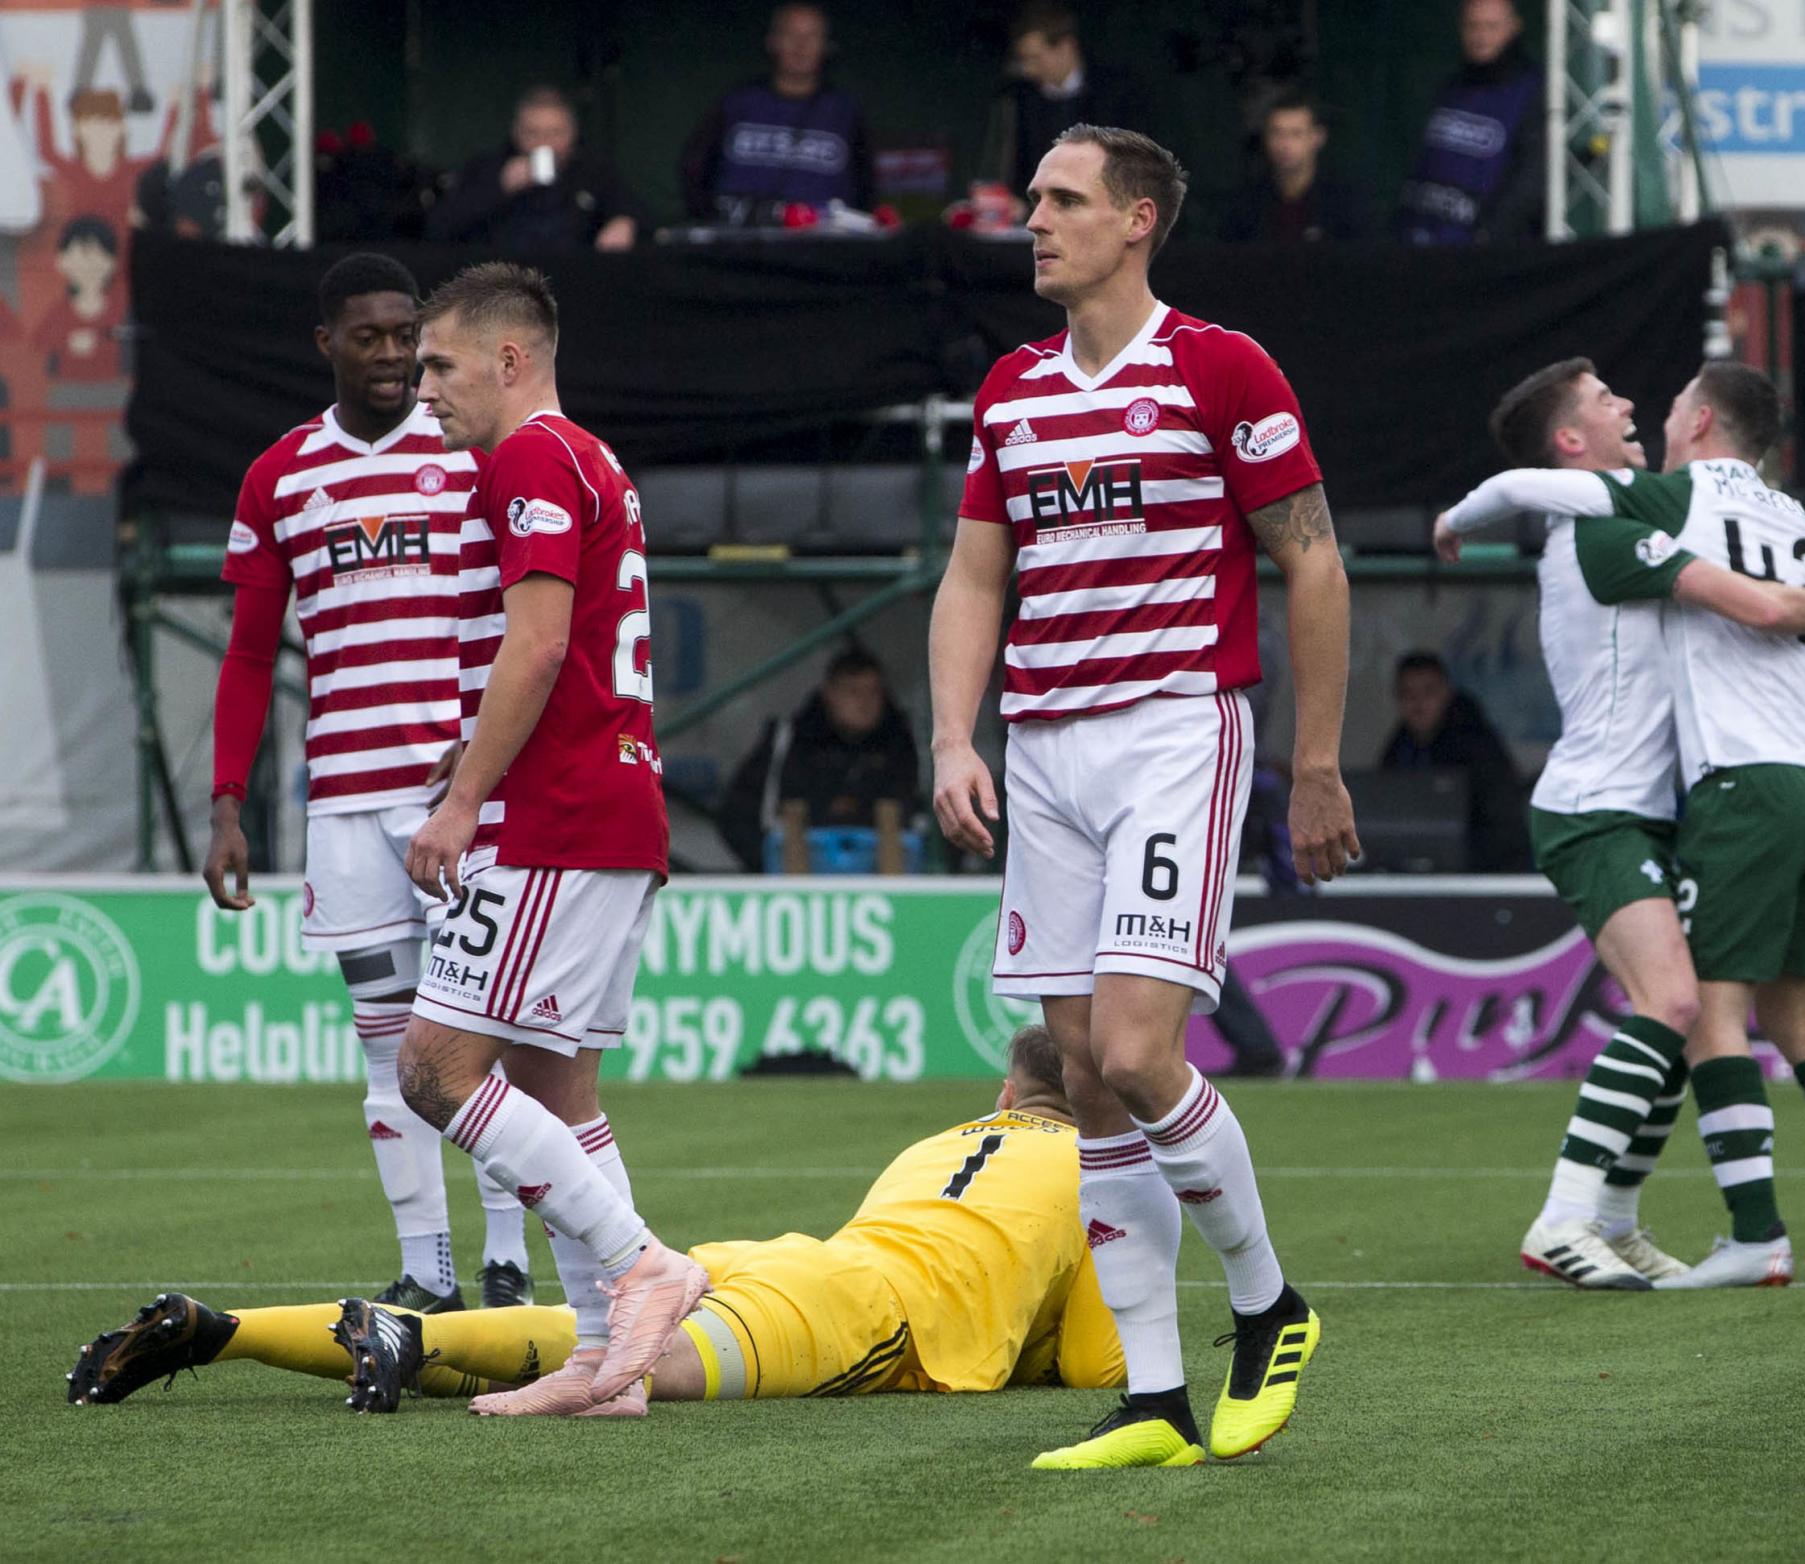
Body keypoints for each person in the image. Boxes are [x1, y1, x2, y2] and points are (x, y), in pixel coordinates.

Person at [928, 123, 1358, 1469]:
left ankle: (1269, 1301)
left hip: (1176, 730)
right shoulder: (1010, 388)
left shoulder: (1221, 368)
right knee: (1079, 1080)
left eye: (1063, 201)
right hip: (1045, 751)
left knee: (1132, 1052)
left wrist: (1316, 760)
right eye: (1034, 199)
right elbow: (974, 578)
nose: (1035, 221)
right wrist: (955, 735)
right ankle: (1157, 1399)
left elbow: (1315, 563)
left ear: (1138, 221)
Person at [1435, 356, 1805, 1291]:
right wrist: (1460, 516)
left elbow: (1731, 536)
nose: (1628, 405)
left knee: (1685, 1009)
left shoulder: (1645, 514)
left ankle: (1614, 1217)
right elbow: (1751, 582)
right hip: (1595, 810)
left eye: (1635, 394)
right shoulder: (1597, 522)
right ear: (1574, 443)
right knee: (1679, 1005)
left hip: (1657, 812)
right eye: (1605, 401)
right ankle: (1567, 1215)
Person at [68, 1026, 1127, 1414]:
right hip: (866, 1313)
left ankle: (240, 1330)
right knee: (636, 1372)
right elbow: (1093, 1362)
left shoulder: (943, 1138)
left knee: (589, 1334)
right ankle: (398, 1339)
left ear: (1003, 1094)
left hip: (790, 1258)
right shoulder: (1101, 1166)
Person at [400, 261, 702, 1417]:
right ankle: (600, 1361)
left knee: (435, 1071)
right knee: (553, 1085)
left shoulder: (530, 456)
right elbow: (554, 657)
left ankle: (640, 1265)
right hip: (609, 804)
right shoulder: (594, 460)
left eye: (440, 364)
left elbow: (535, 646)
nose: (426, 389)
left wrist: (469, 794)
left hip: (557, 817)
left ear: (509, 359)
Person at [204, 253, 531, 1317]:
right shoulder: (281, 474)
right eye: (371, 336)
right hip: (347, 807)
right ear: (327, 345)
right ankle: (426, 1270)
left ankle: (508, 1261)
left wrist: (485, 769)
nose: (393, 355)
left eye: (407, 335)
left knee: (482, 1039)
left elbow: (527, 623)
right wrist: (227, 801)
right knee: (388, 1047)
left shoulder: (478, 459)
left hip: (463, 802)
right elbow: (251, 654)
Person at [715, 647, 921, 872]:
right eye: (853, 692)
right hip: (796, 881)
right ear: (829, 693)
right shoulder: (787, 741)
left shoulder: (902, 744)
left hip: (885, 879)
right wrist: (770, 865)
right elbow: (736, 815)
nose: (865, 703)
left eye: (873, 692)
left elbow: (928, 816)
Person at [679, 2, 876, 226]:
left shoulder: (844, 110)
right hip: (739, 240)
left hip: (820, 245)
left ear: (826, 45)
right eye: (790, 34)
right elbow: (695, 168)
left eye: (811, 36)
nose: (801, 46)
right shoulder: (738, 102)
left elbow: (866, 185)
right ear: (772, 41)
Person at [1397, 0, 1544, 245]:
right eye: (1473, 26)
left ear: (1514, 28)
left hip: (1481, 254)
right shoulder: (1452, 88)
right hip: (1421, 240)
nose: (1481, 36)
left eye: (1491, 27)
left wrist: (1488, 235)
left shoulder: (1532, 92)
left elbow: (1530, 180)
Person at [428, 86, 641, 252]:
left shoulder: (593, 172)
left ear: (573, 133)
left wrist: (623, 221)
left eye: (555, 133)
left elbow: (639, 214)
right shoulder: (488, 167)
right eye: (533, 133)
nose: (544, 143)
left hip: (576, 282)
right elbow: (440, 227)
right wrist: (500, 188)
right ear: (516, 133)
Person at [1380, 650, 1530, 872]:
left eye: (1428, 692)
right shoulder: (1397, 749)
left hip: (1479, 878)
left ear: (1446, 693)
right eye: (1408, 694)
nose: (1418, 704)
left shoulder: (1478, 747)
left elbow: (1504, 826)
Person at [981, 4, 1135, 200]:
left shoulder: (1115, 93)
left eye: (1036, 58)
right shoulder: (1020, 99)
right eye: (1024, 60)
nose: (1028, 70)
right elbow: (1016, 171)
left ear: (1066, 47)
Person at [1220, 94, 1371, 244]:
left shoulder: (1344, 203)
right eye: (1276, 133)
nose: (1284, 145)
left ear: (1318, 137)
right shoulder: (1247, 204)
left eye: (1296, 134)